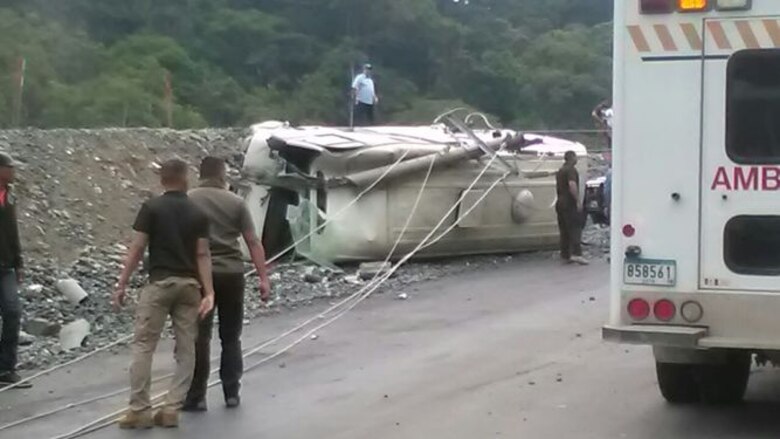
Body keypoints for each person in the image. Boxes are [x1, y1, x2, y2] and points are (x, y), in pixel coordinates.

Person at [113, 159, 215, 429]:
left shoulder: (152, 208)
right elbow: (202, 254)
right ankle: (171, 408)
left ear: (162, 179)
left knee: (144, 345)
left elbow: (137, 248)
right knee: (186, 348)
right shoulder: (198, 213)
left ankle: (139, 410)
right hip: (190, 287)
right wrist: (210, 292)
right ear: (185, 178)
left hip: (159, 283)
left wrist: (122, 282)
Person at [183, 157, 271, 411]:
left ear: (200, 174)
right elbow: (253, 241)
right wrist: (263, 278)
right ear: (223, 175)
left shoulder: (188, 200)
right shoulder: (236, 202)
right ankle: (231, 392)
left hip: (200, 275)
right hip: (232, 273)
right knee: (231, 336)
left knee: (200, 336)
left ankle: (196, 396)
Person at [0, 152, 30, 389]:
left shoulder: (8, 197)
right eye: (10, 168)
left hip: (6, 267)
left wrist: (18, 262)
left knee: (12, 312)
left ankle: (6, 368)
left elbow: (12, 232)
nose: (14, 172)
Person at [556, 151, 588, 265]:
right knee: (575, 227)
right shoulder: (571, 170)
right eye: (575, 157)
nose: (577, 159)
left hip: (560, 202)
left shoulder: (561, 170)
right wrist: (578, 200)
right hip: (569, 202)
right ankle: (577, 254)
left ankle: (565, 254)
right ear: (572, 158)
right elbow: (572, 185)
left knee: (564, 229)